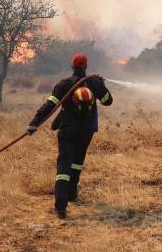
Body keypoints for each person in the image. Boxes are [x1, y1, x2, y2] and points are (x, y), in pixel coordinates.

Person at [26, 53, 113, 218]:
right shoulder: (95, 82)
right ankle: (72, 193)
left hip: (67, 130)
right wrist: (101, 85)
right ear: (86, 67)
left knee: (64, 165)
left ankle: (61, 206)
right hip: (86, 131)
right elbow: (108, 101)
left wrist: (33, 124)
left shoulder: (63, 84)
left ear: (72, 66)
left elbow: (49, 105)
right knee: (77, 163)